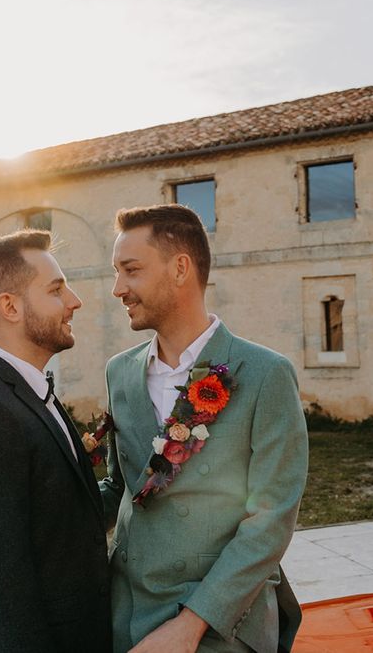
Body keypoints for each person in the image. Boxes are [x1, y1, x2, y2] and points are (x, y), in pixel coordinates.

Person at [99, 205, 308, 653]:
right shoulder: (119, 373)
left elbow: (271, 519)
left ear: (180, 268)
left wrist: (191, 626)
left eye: (130, 271)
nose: (118, 289)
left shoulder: (266, 374)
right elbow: (121, 486)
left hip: (221, 621)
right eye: (116, 272)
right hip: (127, 613)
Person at [0, 230, 112, 653]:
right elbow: (3, 586)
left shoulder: (25, 393)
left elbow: (60, 523)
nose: (75, 300)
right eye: (56, 289)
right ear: (10, 306)